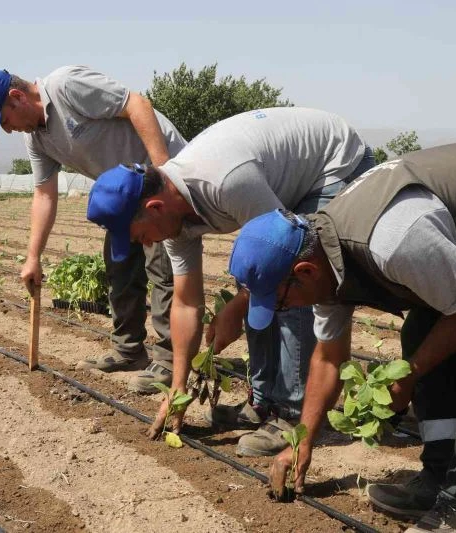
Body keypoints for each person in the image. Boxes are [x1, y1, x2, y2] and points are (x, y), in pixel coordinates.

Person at [227, 141, 456, 533]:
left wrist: (409, 376)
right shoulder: (322, 260)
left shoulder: (393, 241)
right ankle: (439, 478)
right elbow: (327, 359)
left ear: (305, 272)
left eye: (280, 302)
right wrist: (302, 442)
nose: (282, 310)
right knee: (421, 334)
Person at [85, 107, 375, 456]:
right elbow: (186, 303)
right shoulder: (172, 220)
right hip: (279, 178)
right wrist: (177, 388)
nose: (145, 244)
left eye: (139, 235)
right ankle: (263, 402)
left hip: (332, 162)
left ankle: (292, 415)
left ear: (156, 207)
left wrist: (236, 309)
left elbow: (280, 259)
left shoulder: (226, 182)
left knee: (290, 286)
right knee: (256, 285)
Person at [0, 66, 186, 392]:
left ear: (17, 97)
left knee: (163, 270)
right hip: (123, 194)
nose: (9, 130)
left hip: (158, 179)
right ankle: (129, 350)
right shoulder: (36, 139)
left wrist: (164, 175)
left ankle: (171, 361)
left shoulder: (66, 86)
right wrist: (33, 256)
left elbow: (137, 105)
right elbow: (44, 194)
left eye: (5, 120)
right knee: (119, 266)